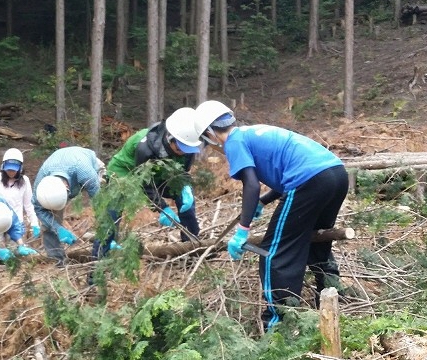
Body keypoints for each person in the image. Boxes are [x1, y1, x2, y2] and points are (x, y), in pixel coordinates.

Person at [193, 100, 348, 330]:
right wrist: (263, 203)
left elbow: (251, 184)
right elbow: (284, 170)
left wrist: (242, 231)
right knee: (317, 241)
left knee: (274, 252)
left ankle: (278, 325)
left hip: (310, 180)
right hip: (336, 174)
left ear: (208, 133)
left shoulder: (233, 142)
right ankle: (332, 309)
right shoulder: (252, 132)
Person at [99, 107, 204, 257]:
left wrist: (185, 187)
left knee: (185, 198)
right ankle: (100, 259)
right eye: (181, 149)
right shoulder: (145, 148)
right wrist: (163, 208)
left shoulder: (188, 147)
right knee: (113, 212)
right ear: (170, 138)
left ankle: (191, 246)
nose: (184, 153)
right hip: (125, 173)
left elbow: (181, 173)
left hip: (159, 174)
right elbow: (144, 183)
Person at [31, 146, 105, 266]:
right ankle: (57, 261)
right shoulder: (41, 185)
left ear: (67, 188)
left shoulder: (86, 173)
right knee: (47, 224)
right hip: (60, 165)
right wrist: (58, 229)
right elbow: (39, 209)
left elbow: (100, 203)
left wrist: (106, 232)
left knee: (108, 208)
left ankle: (104, 255)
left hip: (88, 163)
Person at [0, 148, 40, 242]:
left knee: (16, 252)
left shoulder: (25, 181)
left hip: (16, 224)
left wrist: (34, 223)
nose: (11, 172)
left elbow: (28, 205)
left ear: (20, 168)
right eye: (9, 170)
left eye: (14, 170)